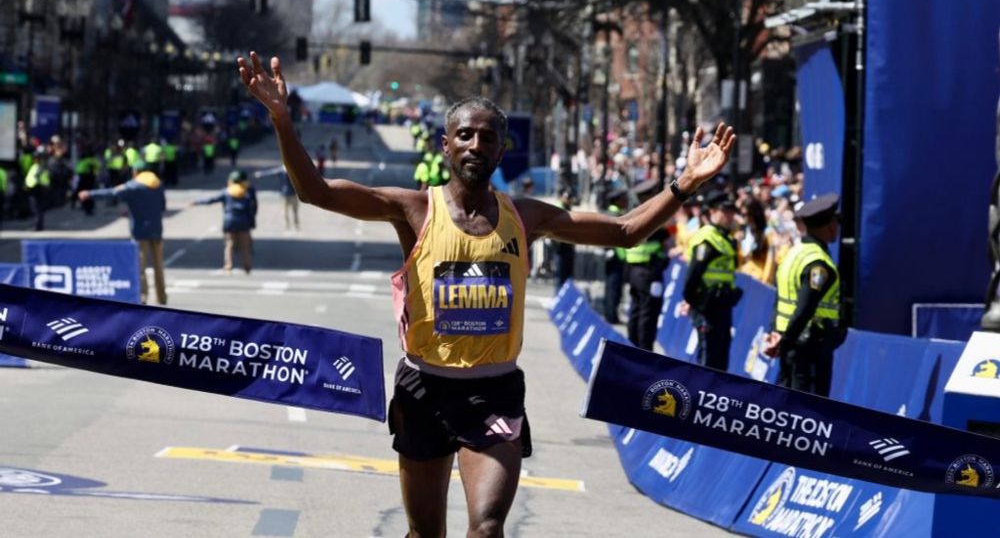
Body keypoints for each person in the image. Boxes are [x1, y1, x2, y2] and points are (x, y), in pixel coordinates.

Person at [238, 50, 733, 537]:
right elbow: (317, 191)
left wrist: (685, 184)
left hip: (494, 391)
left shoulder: (527, 217)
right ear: (446, 146)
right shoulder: (412, 210)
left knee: (488, 526)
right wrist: (282, 119)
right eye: (465, 135)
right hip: (423, 388)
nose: (476, 144)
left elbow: (624, 232)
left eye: (488, 137)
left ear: (501, 151)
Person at [763, 193, 846, 397]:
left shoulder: (793, 253)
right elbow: (805, 307)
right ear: (829, 226)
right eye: (836, 222)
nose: (837, 227)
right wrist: (785, 341)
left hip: (788, 341)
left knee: (786, 406)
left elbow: (779, 299)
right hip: (809, 347)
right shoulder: (818, 263)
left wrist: (775, 332)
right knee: (808, 411)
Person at [80, 160, 168, 305]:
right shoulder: (158, 185)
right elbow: (163, 206)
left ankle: (143, 297)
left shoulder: (133, 186)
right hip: (156, 230)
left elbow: (111, 193)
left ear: (135, 172)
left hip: (140, 232)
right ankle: (162, 297)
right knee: (159, 266)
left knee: (140, 266)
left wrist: (89, 194)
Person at [678, 189, 742, 371]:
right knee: (708, 362)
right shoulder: (707, 238)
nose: (730, 216)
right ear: (712, 211)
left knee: (720, 360)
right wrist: (694, 302)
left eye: (732, 211)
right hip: (707, 307)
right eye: (725, 211)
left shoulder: (724, 238)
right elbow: (692, 276)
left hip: (722, 305)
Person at [623, 179, 670, 351]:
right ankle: (644, 350)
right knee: (648, 312)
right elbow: (666, 241)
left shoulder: (634, 214)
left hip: (634, 270)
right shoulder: (652, 219)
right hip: (649, 271)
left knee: (636, 310)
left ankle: (633, 346)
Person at [194, 169, 258, 275]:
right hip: (243, 222)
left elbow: (212, 200)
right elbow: (250, 211)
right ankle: (247, 266)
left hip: (229, 221)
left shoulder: (226, 192)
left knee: (229, 245)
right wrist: (252, 223)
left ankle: (228, 266)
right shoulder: (246, 193)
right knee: (245, 246)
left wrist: (197, 202)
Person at [603, 188, 628, 324]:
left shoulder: (609, 213)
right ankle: (612, 316)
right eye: (623, 199)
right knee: (614, 288)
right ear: (617, 201)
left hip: (611, 257)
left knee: (610, 286)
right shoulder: (616, 215)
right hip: (617, 256)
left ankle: (609, 313)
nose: (626, 201)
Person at [255, 165, 300, 230]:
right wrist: (261, 174)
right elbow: (270, 172)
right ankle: (286, 224)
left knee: (295, 211)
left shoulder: (293, 170)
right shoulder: (281, 171)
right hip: (285, 194)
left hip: (293, 194)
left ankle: (296, 224)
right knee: (285, 211)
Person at [553, 188, 577, 292]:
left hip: (568, 247)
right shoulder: (559, 209)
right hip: (561, 248)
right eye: (567, 197)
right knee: (560, 276)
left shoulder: (568, 208)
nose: (569, 200)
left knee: (567, 276)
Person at [25, 146, 50, 231]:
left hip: (37, 189)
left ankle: (38, 226)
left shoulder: (40, 167)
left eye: (36, 158)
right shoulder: (36, 166)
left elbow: (39, 179)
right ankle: (38, 225)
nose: (35, 159)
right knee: (36, 208)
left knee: (37, 208)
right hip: (35, 189)